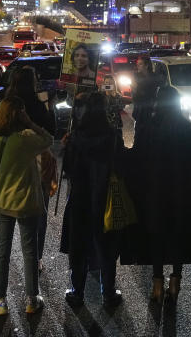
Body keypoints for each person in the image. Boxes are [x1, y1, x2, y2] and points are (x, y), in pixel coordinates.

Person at [0, 95, 53, 315]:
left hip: (0, 201)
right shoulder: (25, 137)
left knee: (2, 251)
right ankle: (31, 299)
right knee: (30, 251)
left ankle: (0, 301)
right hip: (25, 202)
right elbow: (48, 139)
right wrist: (30, 123)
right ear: (21, 114)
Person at [132, 86, 191, 303]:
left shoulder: (148, 128)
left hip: (155, 190)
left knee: (157, 237)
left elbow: (138, 159)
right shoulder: (187, 128)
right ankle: (176, 280)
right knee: (178, 236)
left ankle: (157, 284)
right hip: (181, 189)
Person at [61, 92, 125, 307]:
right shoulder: (111, 136)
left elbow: (68, 169)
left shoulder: (76, 136)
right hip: (104, 196)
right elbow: (120, 165)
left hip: (80, 197)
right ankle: (108, 292)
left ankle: (77, 291)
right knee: (106, 246)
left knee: (79, 245)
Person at [5, 65, 56, 266]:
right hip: (37, 163)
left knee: (7, 217)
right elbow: (50, 132)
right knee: (38, 214)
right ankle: (36, 258)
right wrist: (49, 107)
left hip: (12, 166)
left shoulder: (8, 105)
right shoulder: (36, 103)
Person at [130, 54, 161, 129]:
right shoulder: (136, 77)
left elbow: (155, 93)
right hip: (140, 110)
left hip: (151, 109)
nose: (138, 66)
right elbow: (135, 96)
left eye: (140, 64)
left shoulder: (154, 77)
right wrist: (134, 89)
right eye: (137, 64)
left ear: (146, 66)